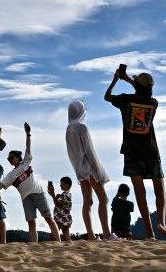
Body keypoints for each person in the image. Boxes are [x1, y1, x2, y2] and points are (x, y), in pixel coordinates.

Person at [104, 67, 166, 240]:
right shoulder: (153, 103)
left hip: (132, 152)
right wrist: (129, 79)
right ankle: (162, 223)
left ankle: (149, 232)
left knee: (140, 193)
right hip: (151, 151)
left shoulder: (125, 100)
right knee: (160, 189)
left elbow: (107, 97)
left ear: (136, 86)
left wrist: (117, 80)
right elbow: (142, 91)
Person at [0, 122, 60, 243]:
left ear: (18, 157)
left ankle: (58, 241)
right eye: (8, 159)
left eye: (12, 157)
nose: (10, 160)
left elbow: (28, 147)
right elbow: (0, 186)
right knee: (31, 222)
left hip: (38, 192)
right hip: (26, 198)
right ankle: (34, 246)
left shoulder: (26, 162)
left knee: (48, 218)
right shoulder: (10, 175)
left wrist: (28, 134)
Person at [65, 100, 114, 241]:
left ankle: (91, 235)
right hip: (89, 168)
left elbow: (71, 153)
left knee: (88, 201)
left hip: (79, 169)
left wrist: (78, 169)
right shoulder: (82, 127)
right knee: (103, 199)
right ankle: (106, 234)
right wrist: (98, 171)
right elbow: (90, 151)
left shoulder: (68, 129)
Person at [49, 177, 73, 243]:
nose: (60, 185)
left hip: (62, 218)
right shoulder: (64, 195)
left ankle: (57, 247)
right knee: (66, 235)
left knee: (54, 234)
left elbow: (59, 205)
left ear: (67, 185)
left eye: (62, 184)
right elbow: (58, 204)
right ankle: (69, 246)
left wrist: (53, 195)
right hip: (62, 218)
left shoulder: (66, 195)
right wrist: (53, 195)